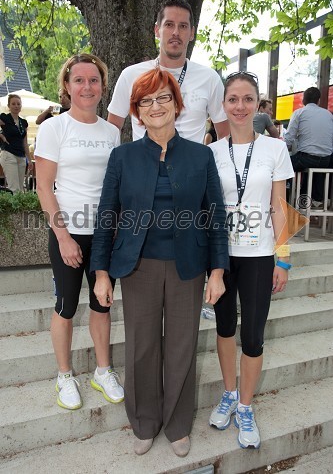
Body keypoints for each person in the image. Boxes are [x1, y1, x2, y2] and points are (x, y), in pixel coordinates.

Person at [90, 68, 229, 457]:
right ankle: (145, 421)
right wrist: (102, 272)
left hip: (188, 267)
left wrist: (217, 271)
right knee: (141, 348)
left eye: (164, 98)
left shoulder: (201, 156)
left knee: (182, 347)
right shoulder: (123, 157)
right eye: (146, 101)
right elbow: (107, 217)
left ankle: (178, 424)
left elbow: (215, 215)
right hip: (138, 267)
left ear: (177, 104)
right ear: (136, 111)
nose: (156, 106)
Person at [208, 71, 294, 449]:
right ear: (223, 105)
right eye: (232, 99)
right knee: (224, 328)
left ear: (257, 103)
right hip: (222, 258)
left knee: (253, 336)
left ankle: (245, 406)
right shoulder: (211, 151)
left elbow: (279, 206)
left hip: (260, 256)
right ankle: (229, 393)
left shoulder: (275, 149)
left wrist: (283, 258)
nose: (239, 106)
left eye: (247, 99)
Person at [34, 53, 124, 411]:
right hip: (67, 233)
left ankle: (102, 371)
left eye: (94, 80)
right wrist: (64, 237)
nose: (87, 86)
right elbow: (44, 187)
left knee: (102, 304)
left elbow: (115, 187)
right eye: (79, 80)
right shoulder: (55, 128)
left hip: (103, 235)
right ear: (67, 87)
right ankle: (64, 375)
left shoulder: (112, 132)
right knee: (66, 306)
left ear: (103, 86)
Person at [107, 0, 229, 143]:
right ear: (157, 30)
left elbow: (224, 134)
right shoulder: (131, 75)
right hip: (145, 164)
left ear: (192, 33)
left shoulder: (209, 78)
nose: (176, 32)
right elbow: (111, 131)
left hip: (192, 165)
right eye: (169, 25)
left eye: (183, 26)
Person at [285, 86, 333, 205]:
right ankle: (314, 199)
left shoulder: (299, 113)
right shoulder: (329, 115)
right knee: (314, 167)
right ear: (318, 101)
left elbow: (289, 138)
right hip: (326, 161)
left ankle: (286, 198)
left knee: (282, 165)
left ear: (303, 100)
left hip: (306, 158)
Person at [0, 93, 33, 192]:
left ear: (21, 106)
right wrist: (0, 135)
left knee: (20, 189)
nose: (16, 106)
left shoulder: (24, 122)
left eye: (18, 104)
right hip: (8, 154)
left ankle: (18, 207)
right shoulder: (4, 118)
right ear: (9, 106)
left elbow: (25, 142)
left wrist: (30, 159)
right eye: (13, 104)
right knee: (14, 188)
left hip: (21, 157)